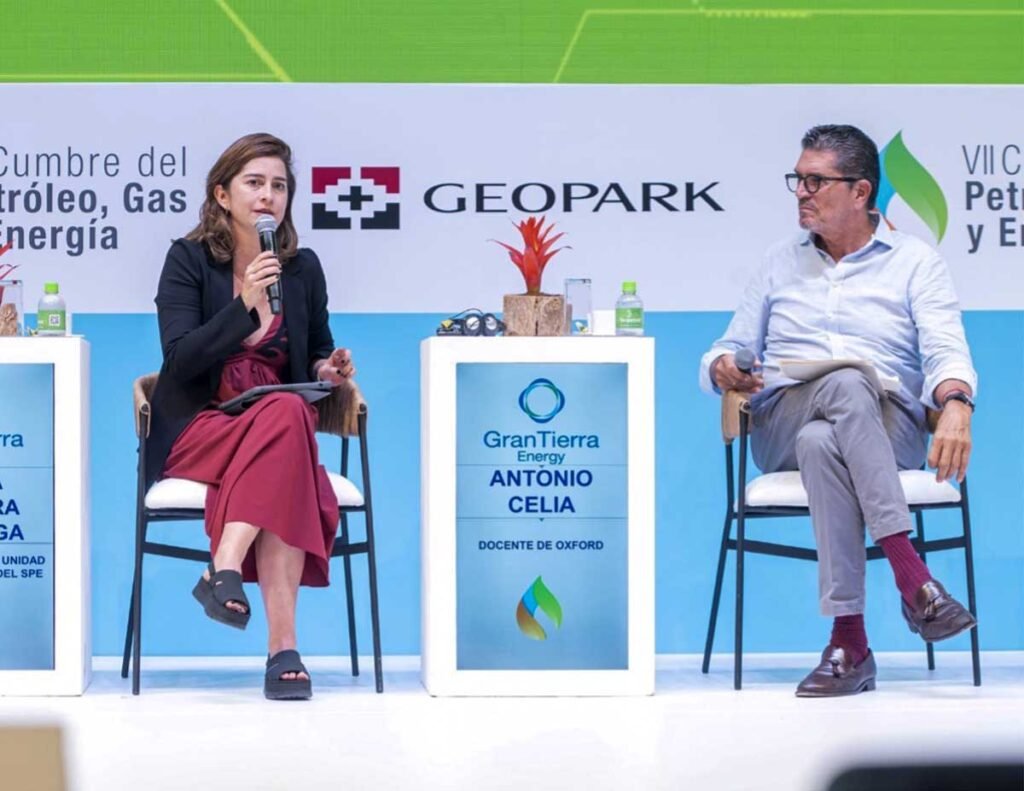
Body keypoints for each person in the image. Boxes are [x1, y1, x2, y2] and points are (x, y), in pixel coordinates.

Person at [699, 124, 978, 697]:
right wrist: (723, 367)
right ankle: (913, 577)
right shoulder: (778, 262)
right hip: (783, 421)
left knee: (825, 439)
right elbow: (726, 349)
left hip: (887, 426)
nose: (801, 192)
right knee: (842, 389)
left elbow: (946, 350)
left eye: (815, 181)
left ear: (860, 191)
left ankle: (849, 643)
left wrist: (956, 404)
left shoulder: (915, 262)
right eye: (797, 180)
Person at [148, 132, 356, 700]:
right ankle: (283, 649)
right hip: (202, 424)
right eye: (255, 183)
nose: (268, 196)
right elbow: (180, 359)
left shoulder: (303, 268)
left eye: (279, 186)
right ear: (222, 194)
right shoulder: (188, 260)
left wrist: (328, 368)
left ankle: (224, 569)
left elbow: (316, 348)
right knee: (287, 438)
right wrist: (245, 305)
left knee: (285, 414)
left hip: (273, 421)